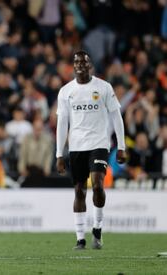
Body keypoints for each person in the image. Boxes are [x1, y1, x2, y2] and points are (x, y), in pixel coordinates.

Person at [56, 50, 126, 250]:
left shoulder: (103, 87)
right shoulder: (66, 91)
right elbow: (62, 124)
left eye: (83, 62)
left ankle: (97, 228)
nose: (79, 65)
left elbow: (116, 116)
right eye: (76, 62)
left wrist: (121, 146)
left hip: (99, 144)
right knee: (79, 190)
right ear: (73, 66)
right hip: (77, 146)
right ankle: (80, 238)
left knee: (97, 185)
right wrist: (59, 154)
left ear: (90, 65)